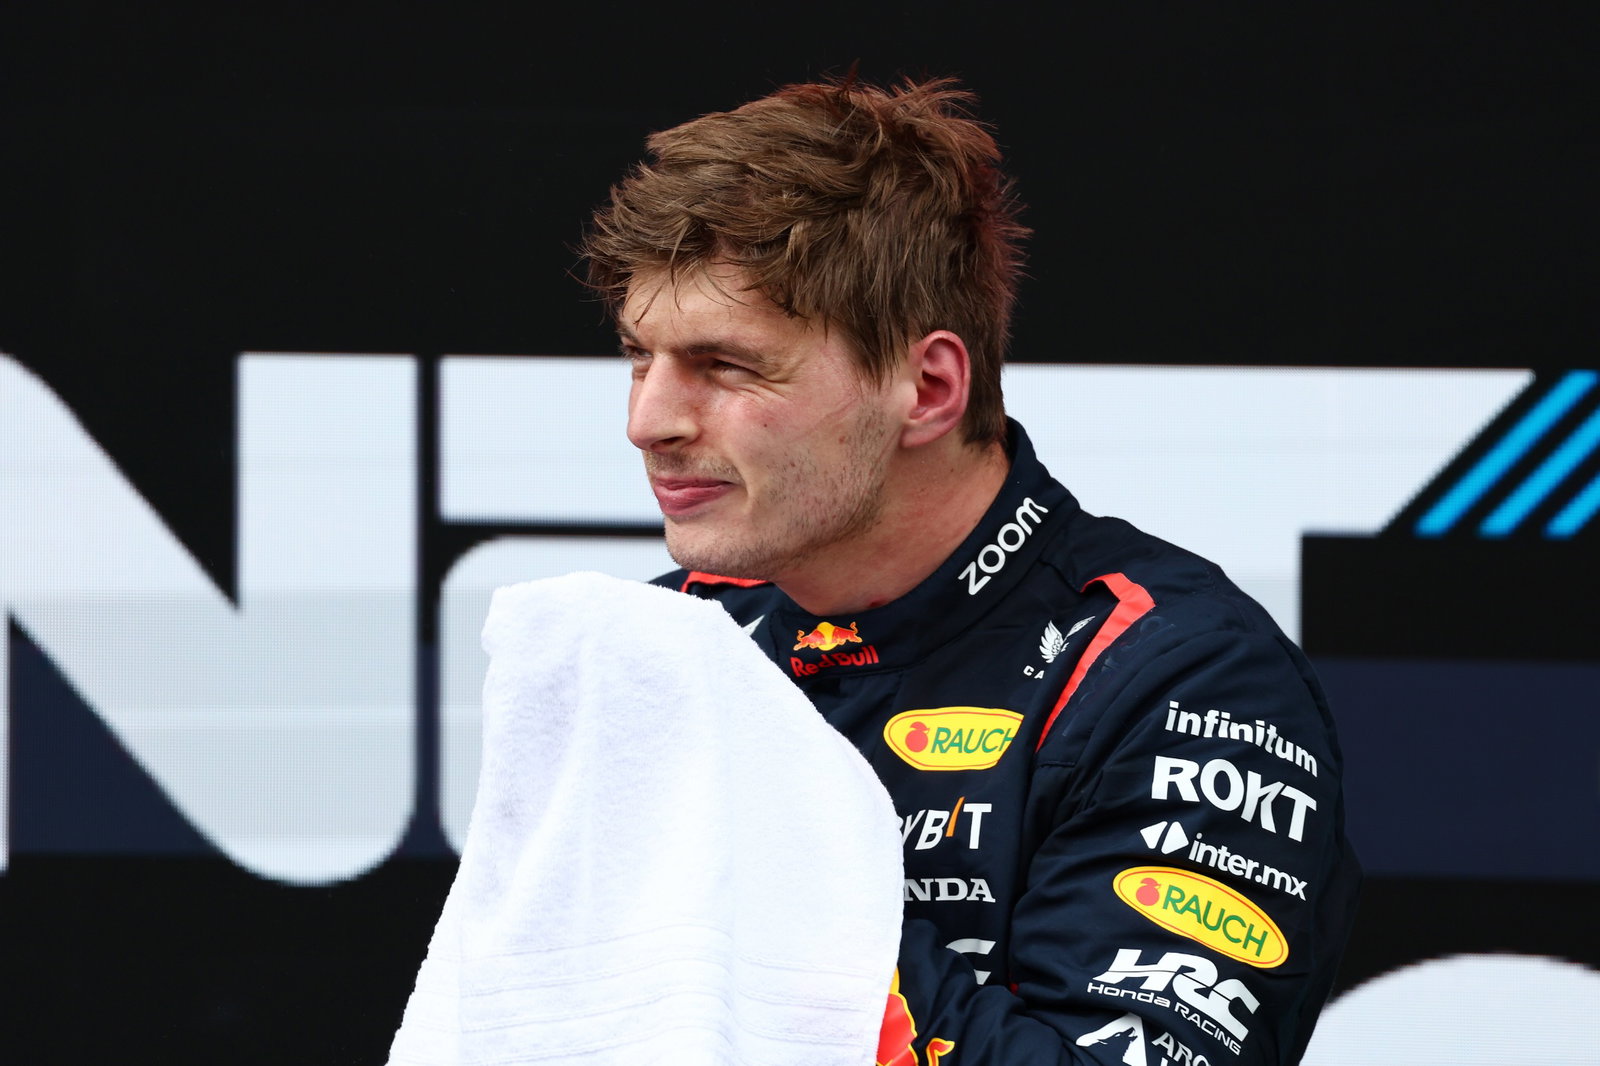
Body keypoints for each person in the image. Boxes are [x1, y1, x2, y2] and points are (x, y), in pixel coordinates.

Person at [580, 75, 1360, 1065]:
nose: (648, 421)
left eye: (726, 366)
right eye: (639, 358)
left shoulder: (1176, 679)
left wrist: (764, 839)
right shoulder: (667, 644)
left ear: (928, 387)